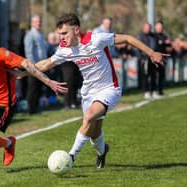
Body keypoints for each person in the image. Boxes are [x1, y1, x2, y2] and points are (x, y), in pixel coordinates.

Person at [24, 13, 167, 169]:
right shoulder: (65, 49)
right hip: (89, 92)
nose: (61, 38)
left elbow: (127, 38)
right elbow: (45, 64)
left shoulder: (96, 39)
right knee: (94, 132)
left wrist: (152, 53)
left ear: (76, 30)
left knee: (89, 117)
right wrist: (24, 72)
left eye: (64, 33)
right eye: (59, 34)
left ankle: (70, 157)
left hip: (109, 88)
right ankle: (102, 150)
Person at [0, 25, 67, 172]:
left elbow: (27, 64)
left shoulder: (0, 53)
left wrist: (49, 82)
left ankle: (8, 143)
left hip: (2, 104)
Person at [24, 14, 48, 114]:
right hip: (33, 65)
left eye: (40, 21)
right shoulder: (30, 34)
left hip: (42, 65)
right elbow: (29, 51)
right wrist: (32, 66)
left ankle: (36, 107)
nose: (39, 23)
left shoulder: (40, 34)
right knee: (32, 87)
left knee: (38, 87)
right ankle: (31, 109)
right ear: (32, 23)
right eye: (37, 22)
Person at [137, 22, 157, 99]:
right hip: (144, 59)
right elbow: (137, 48)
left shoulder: (153, 36)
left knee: (153, 75)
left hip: (152, 58)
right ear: (143, 28)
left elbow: (154, 46)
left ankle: (153, 91)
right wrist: (141, 58)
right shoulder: (139, 36)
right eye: (146, 27)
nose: (147, 29)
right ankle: (146, 91)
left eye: (149, 28)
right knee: (145, 75)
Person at [154, 20, 172, 97]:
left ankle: (160, 91)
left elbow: (169, 47)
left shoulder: (164, 36)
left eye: (160, 27)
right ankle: (153, 91)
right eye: (158, 27)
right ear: (155, 27)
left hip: (163, 59)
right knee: (154, 75)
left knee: (161, 75)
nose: (159, 28)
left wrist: (167, 44)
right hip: (154, 59)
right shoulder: (153, 36)